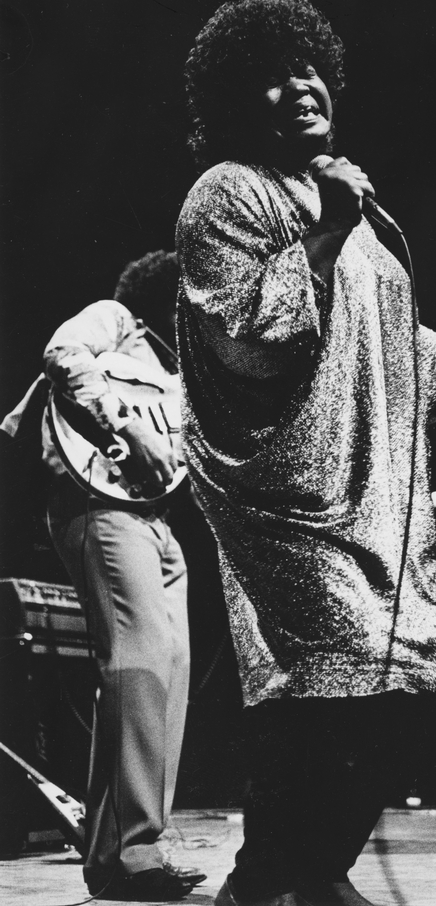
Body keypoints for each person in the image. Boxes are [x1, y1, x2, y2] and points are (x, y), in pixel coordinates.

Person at [176, 0, 436, 906]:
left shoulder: (351, 202)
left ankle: (302, 870)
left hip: (374, 484)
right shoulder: (227, 193)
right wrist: (323, 229)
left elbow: (392, 334)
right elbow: (245, 332)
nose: (297, 85)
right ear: (235, 102)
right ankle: (276, 879)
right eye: (268, 77)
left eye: (305, 66)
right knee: (331, 673)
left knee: (397, 676)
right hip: (289, 489)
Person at [41, 251, 204, 901]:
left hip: (157, 519)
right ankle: (138, 844)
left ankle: (117, 850)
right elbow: (62, 353)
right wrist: (124, 427)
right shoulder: (115, 319)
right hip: (99, 506)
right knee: (139, 663)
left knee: (170, 671)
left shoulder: (184, 372)